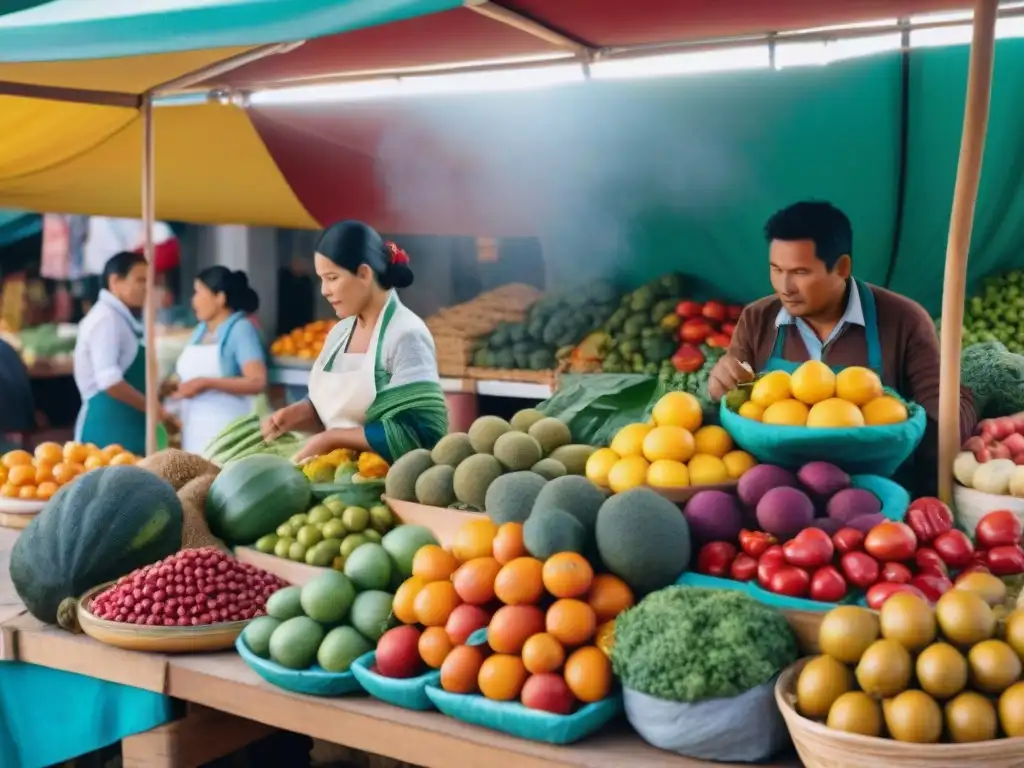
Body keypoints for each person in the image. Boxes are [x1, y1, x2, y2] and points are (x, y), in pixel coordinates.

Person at [707, 201, 976, 494]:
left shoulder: (904, 320)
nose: (785, 287)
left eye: (800, 272)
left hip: (876, 493)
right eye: (776, 269)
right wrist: (723, 383)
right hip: (777, 493)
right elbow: (736, 405)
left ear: (842, 267)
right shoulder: (757, 319)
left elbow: (940, 422)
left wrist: (956, 404)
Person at [262, 221, 448, 463]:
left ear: (364, 274)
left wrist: (333, 439)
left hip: (385, 479)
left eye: (332, 278)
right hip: (335, 472)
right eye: (321, 279)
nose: (324, 290)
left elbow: (419, 433)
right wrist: (299, 413)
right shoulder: (339, 334)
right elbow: (337, 409)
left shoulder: (405, 335)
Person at [73, 251, 174, 454]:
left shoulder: (120, 319)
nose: (146, 288)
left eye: (148, 281)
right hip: (108, 431)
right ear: (115, 282)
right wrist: (153, 409)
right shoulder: (106, 319)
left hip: (128, 431)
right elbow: (109, 380)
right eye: (140, 280)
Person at [170, 267, 267, 454]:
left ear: (220, 298)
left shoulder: (241, 329)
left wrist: (206, 383)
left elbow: (257, 381)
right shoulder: (200, 332)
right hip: (194, 431)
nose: (193, 300)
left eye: (198, 293)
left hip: (227, 433)